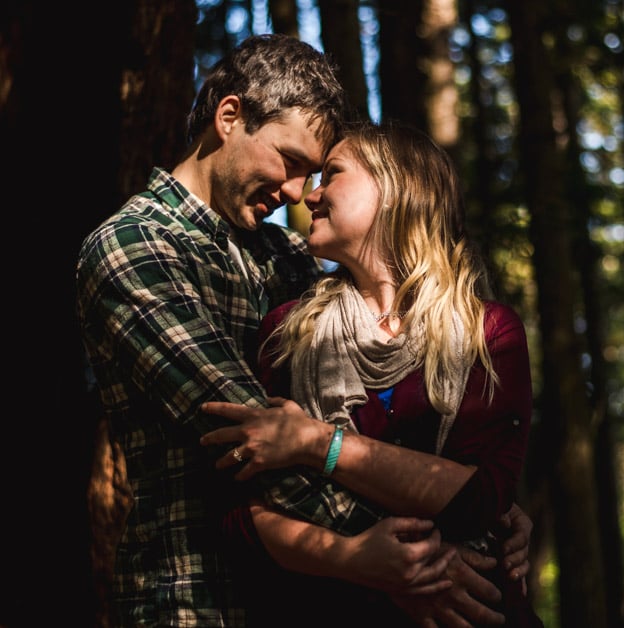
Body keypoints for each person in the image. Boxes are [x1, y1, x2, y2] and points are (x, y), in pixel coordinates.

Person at [76, 34, 530, 627]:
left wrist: (486, 505)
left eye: (314, 173)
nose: (297, 192)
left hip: (302, 598)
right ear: (229, 116)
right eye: (289, 162)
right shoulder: (132, 249)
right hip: (195, 595)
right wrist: (431, 555)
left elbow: (369, 412)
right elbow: (249, 434)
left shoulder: (290, 256)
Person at [199, 119, 543, 626]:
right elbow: (240, 515)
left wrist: (318, 444)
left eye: (331, 174)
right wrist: (355, 559)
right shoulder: (286, 333)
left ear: (395, 190)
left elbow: (481, 498)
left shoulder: (486, 334)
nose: (309, 196)